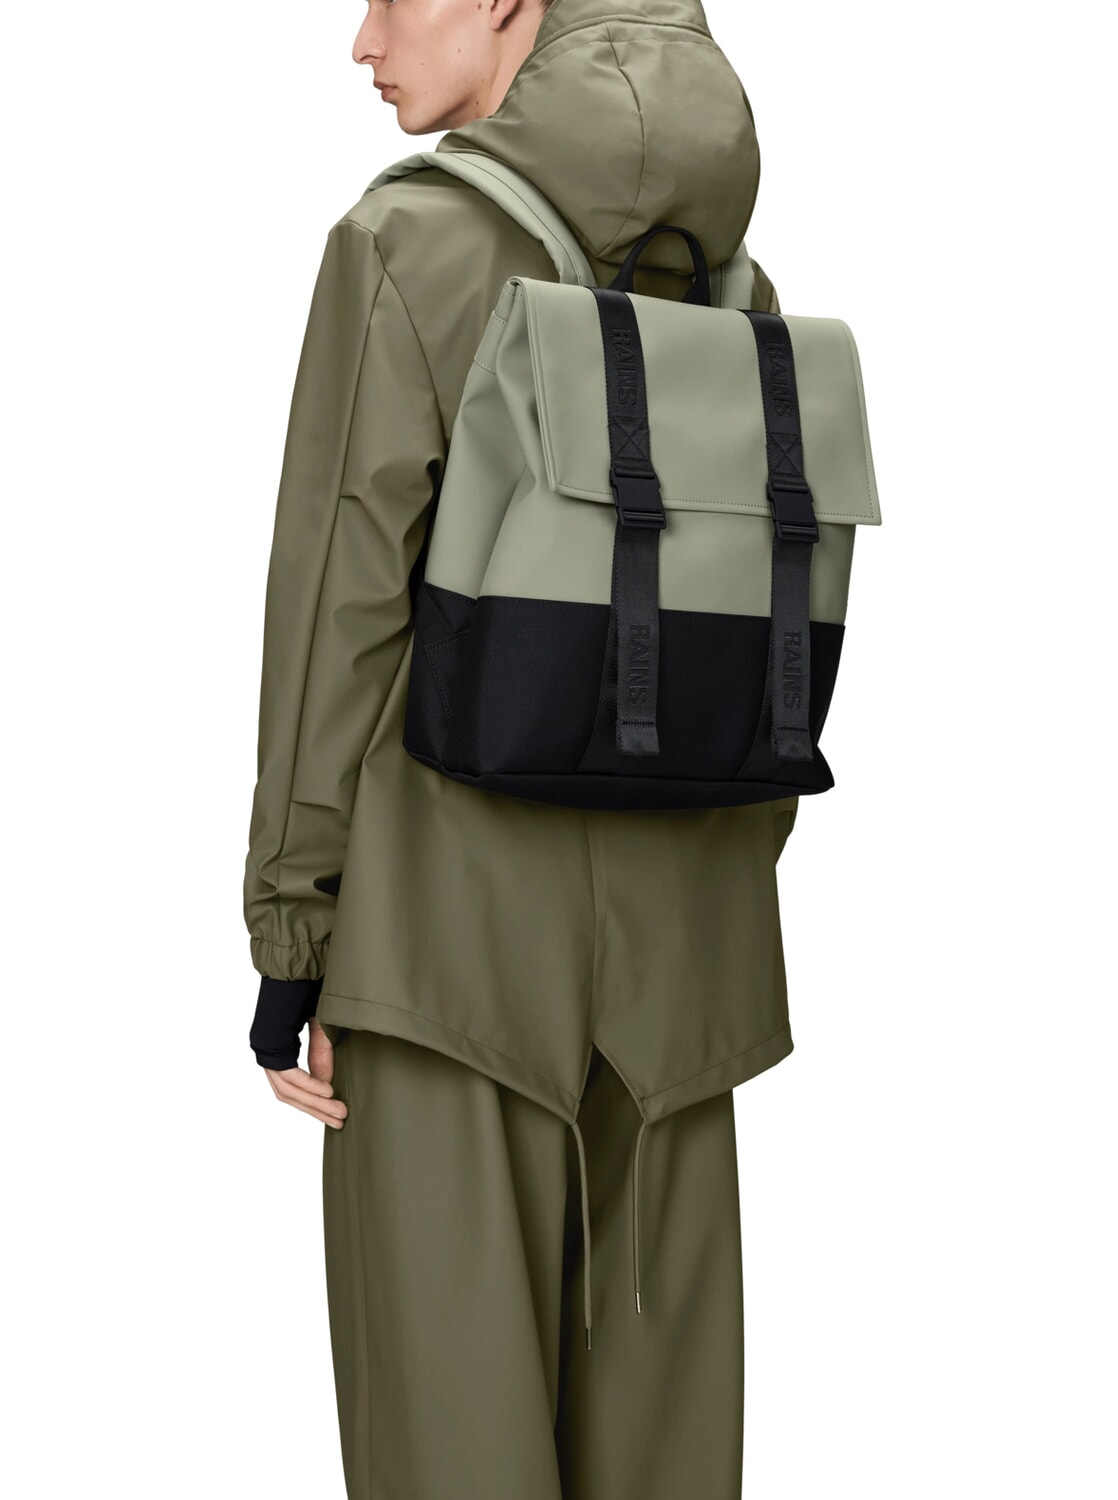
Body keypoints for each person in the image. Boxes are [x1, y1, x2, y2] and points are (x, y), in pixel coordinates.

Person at [243, 0, 801, 1493]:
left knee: (449, 1456)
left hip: (442, 964)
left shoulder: (407, 244)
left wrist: (297, 932)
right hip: (684, 988)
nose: (363, 40)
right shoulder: (730, 278)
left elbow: (338, 606)